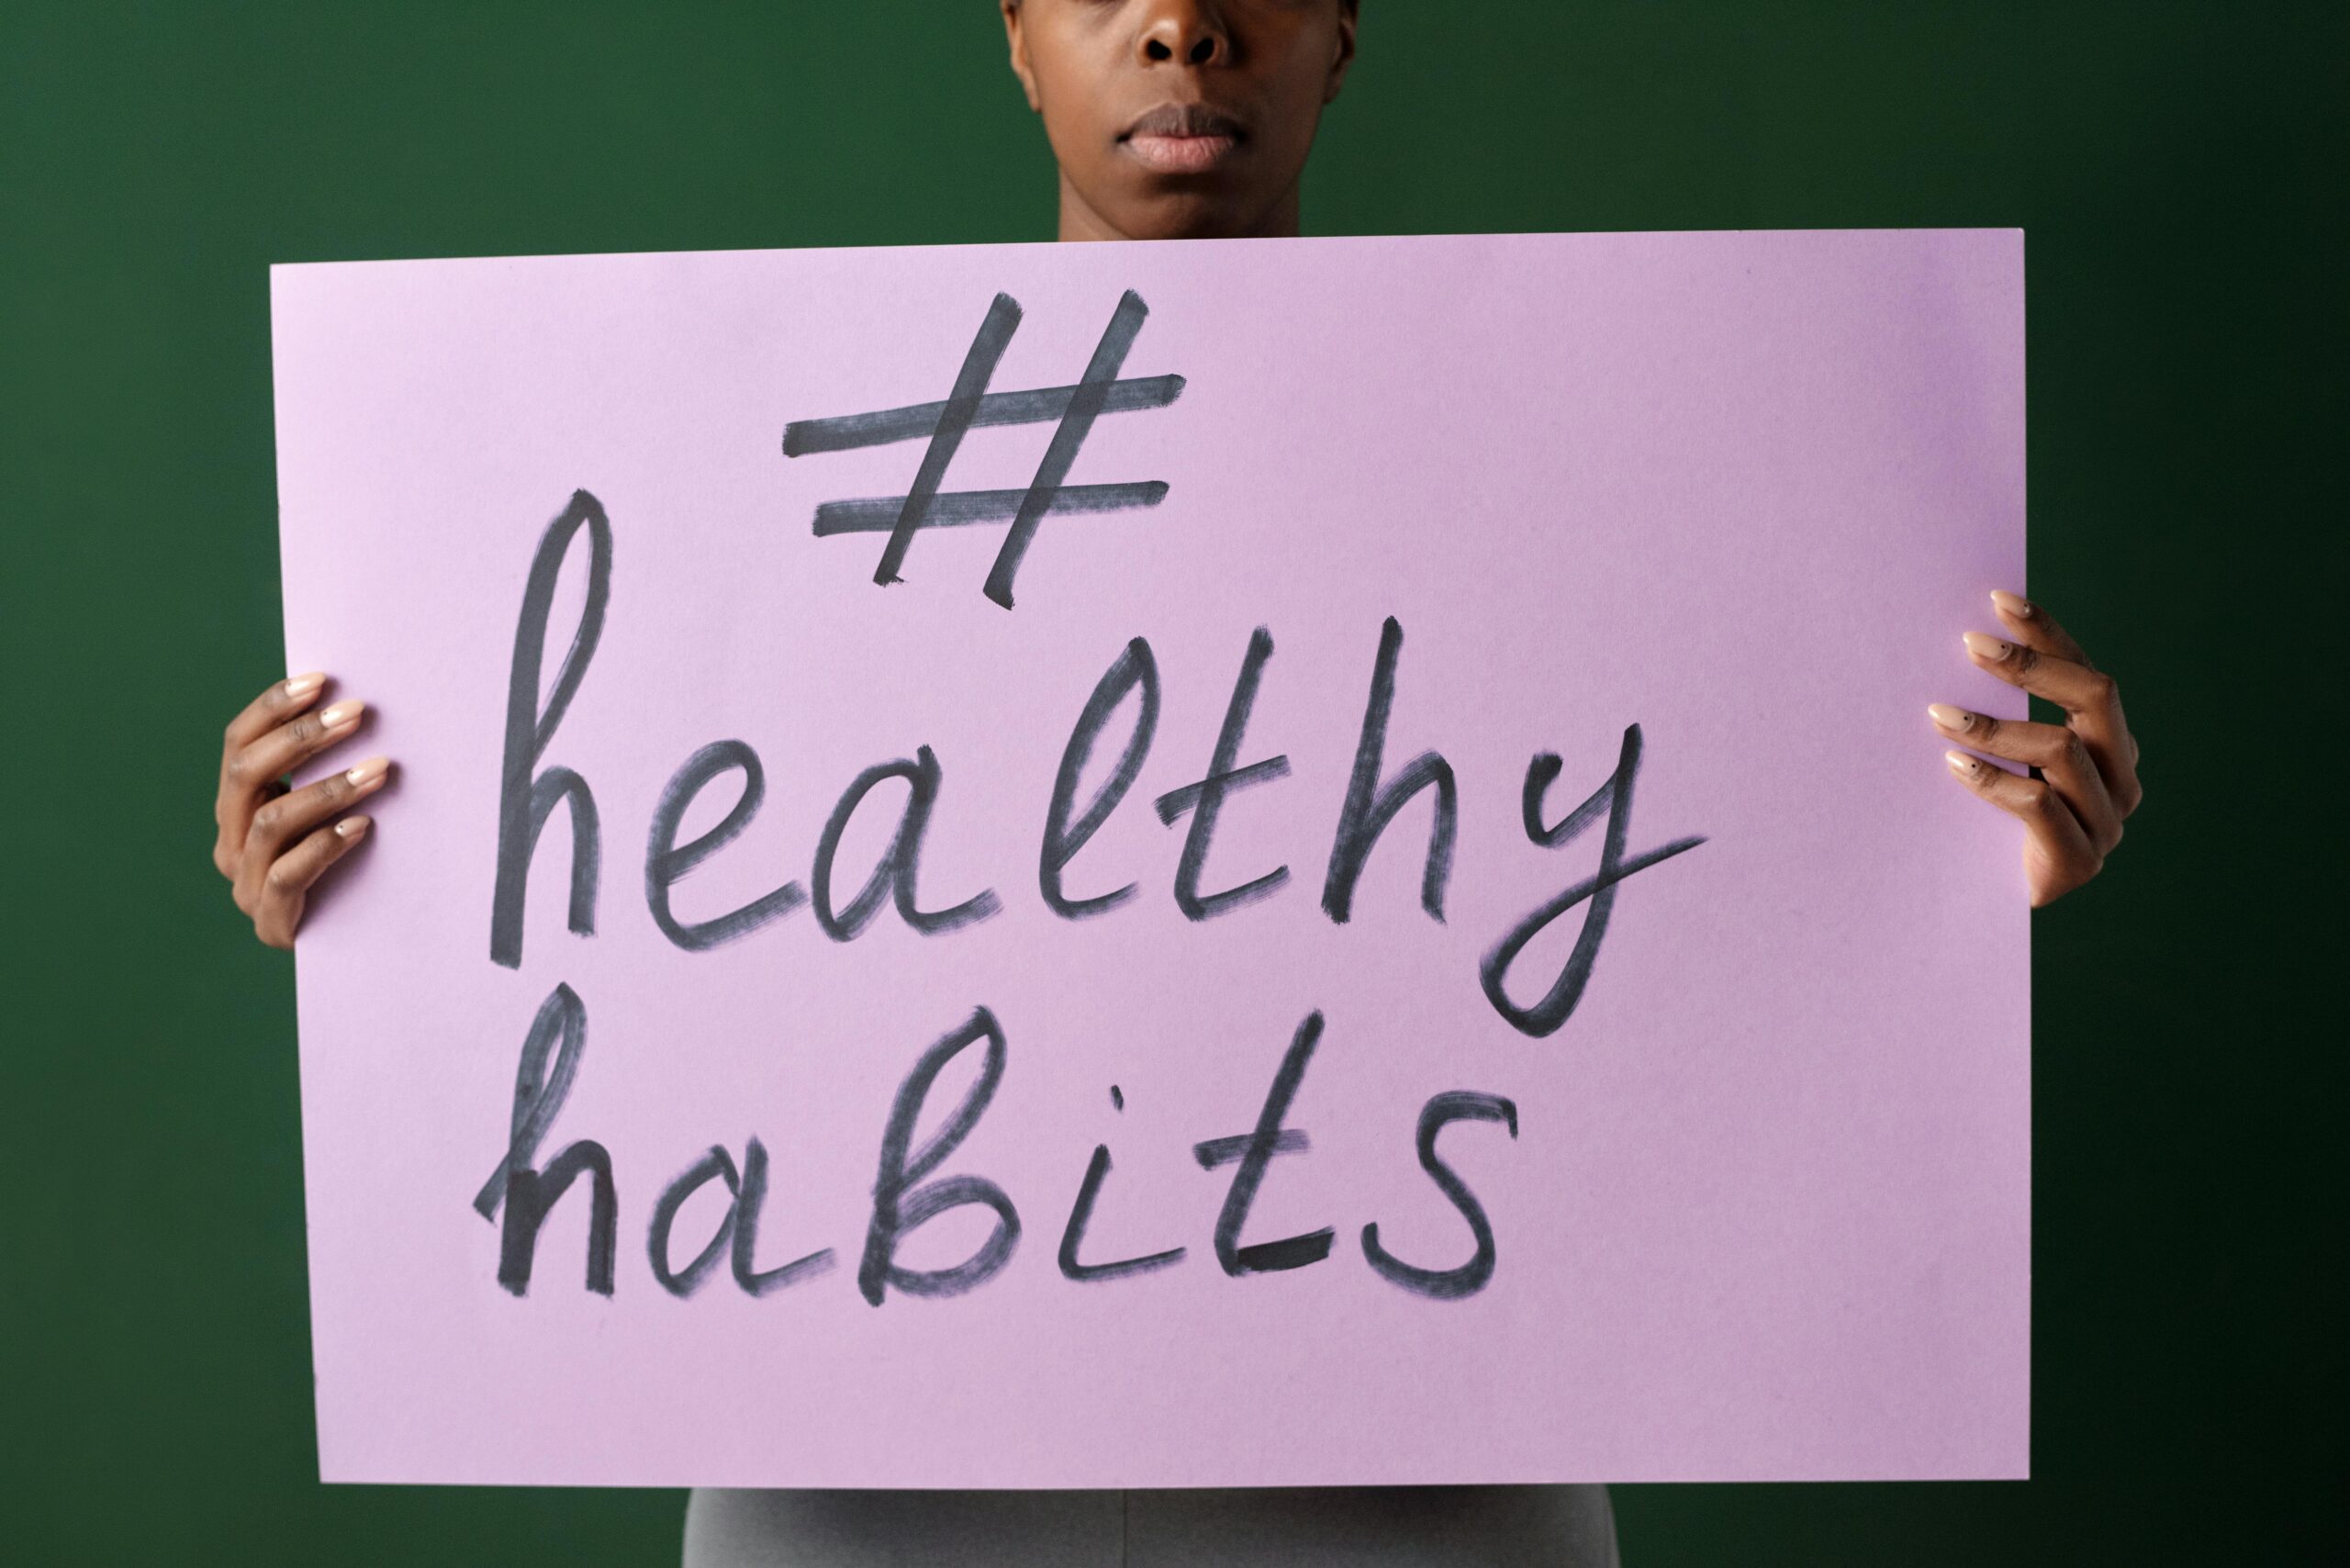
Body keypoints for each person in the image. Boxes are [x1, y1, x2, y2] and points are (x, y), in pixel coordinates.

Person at [208, 2, 2145, 1561]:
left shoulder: (1605, 471)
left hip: (1430, 1475)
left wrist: (1952, 866)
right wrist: (365, 888)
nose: (1181, 28)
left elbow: (1688, 904)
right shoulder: (723, 489)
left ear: (1341, 29)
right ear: (1011, 30)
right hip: (853, 1485)